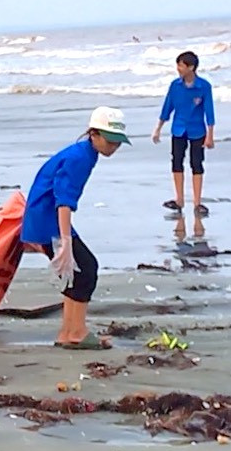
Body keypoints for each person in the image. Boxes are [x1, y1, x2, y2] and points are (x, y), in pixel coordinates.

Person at [23, 107, 129, 349]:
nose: (114, 147)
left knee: (75, 274)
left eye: (118, 142)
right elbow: (63, 200)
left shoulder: (86, 153)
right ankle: (77, 333)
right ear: (93, 133)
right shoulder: (79, 158)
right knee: (85, 270)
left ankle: (68, 332)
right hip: (47, 220)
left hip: (44, 217)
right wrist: (65, 241)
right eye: (110, 140)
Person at [152, 51, 215, 216]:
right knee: (177, 162)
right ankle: (179, 200)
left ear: (191, 67)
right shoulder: (175, 85)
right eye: (178, 65)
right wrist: (158, 128)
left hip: (197, 130)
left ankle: (197, 203)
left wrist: (210, 135)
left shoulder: (204, 86)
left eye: (181, 65)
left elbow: (209, 112)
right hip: (178, 129)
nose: (178, 68)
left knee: (197, 164)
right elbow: (167, 107)